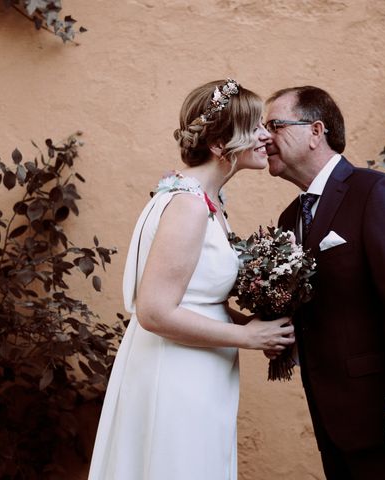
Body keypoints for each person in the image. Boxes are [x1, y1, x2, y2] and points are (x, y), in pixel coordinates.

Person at [88, 79, 295, 480]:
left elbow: (197, 299)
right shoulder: (188, 206)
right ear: (219, 144)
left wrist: (251, 324)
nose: (265, 135)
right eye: (253, 127)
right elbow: (154, 311)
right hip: (177, 374)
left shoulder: (203, 198)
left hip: (198, 369)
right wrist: (248, 338)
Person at [264, 86, 385, 480]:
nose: (265, 138)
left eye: (275, 125)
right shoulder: (289, 220)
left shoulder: (377, 193)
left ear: (317, 131)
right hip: (333, 418)